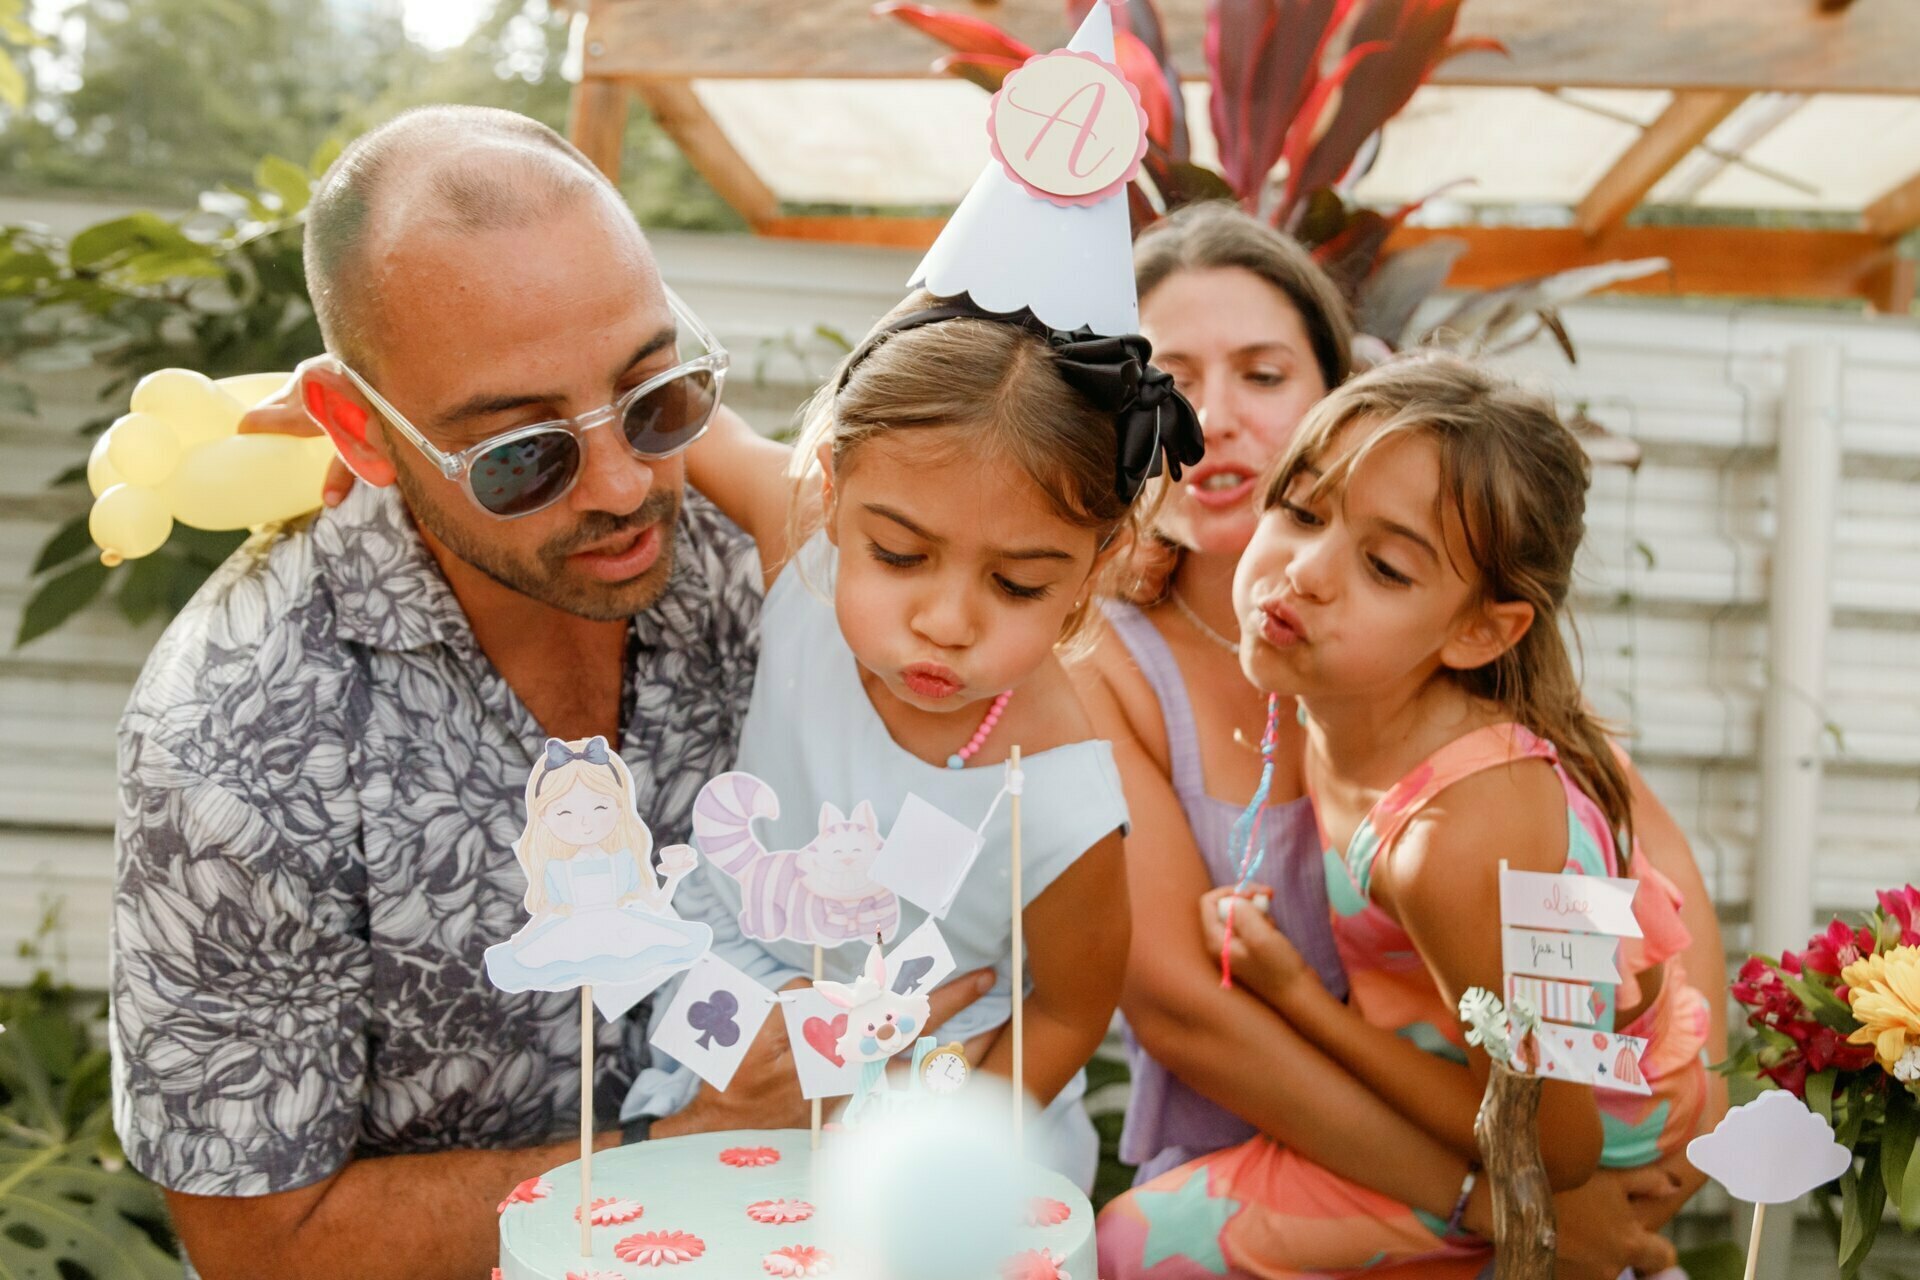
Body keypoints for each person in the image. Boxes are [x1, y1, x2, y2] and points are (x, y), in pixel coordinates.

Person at [110, 105, 988, 1280]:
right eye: (523, 454)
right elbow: (265, 1238)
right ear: (363, 433)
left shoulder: (752, 559)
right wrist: (699, 1142)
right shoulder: (236, 734)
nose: (628, 486)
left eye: (656, 397)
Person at [1077, 202, 1725, 1278]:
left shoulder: (1462, 792)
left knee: (1139, 1243)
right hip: (1444, 1128)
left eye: (1264, 373)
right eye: (1170, 376)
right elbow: (1188, 1012)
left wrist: (1689, 1097)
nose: (1214, 416)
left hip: (1544, 1136)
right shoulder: (1282, 675)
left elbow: (1560, 1120)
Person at [621, 268, 1204, 1185]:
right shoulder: (804, 531)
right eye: (897, 555)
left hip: (923, 1107)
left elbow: (1068, 1011)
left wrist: (941, 1147)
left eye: (1018, 584)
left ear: (1095, 569)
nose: (947, 620)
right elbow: (690, 418)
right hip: (733, 1036)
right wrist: (405, 431)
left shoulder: (1061, 801)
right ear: (832, 490)